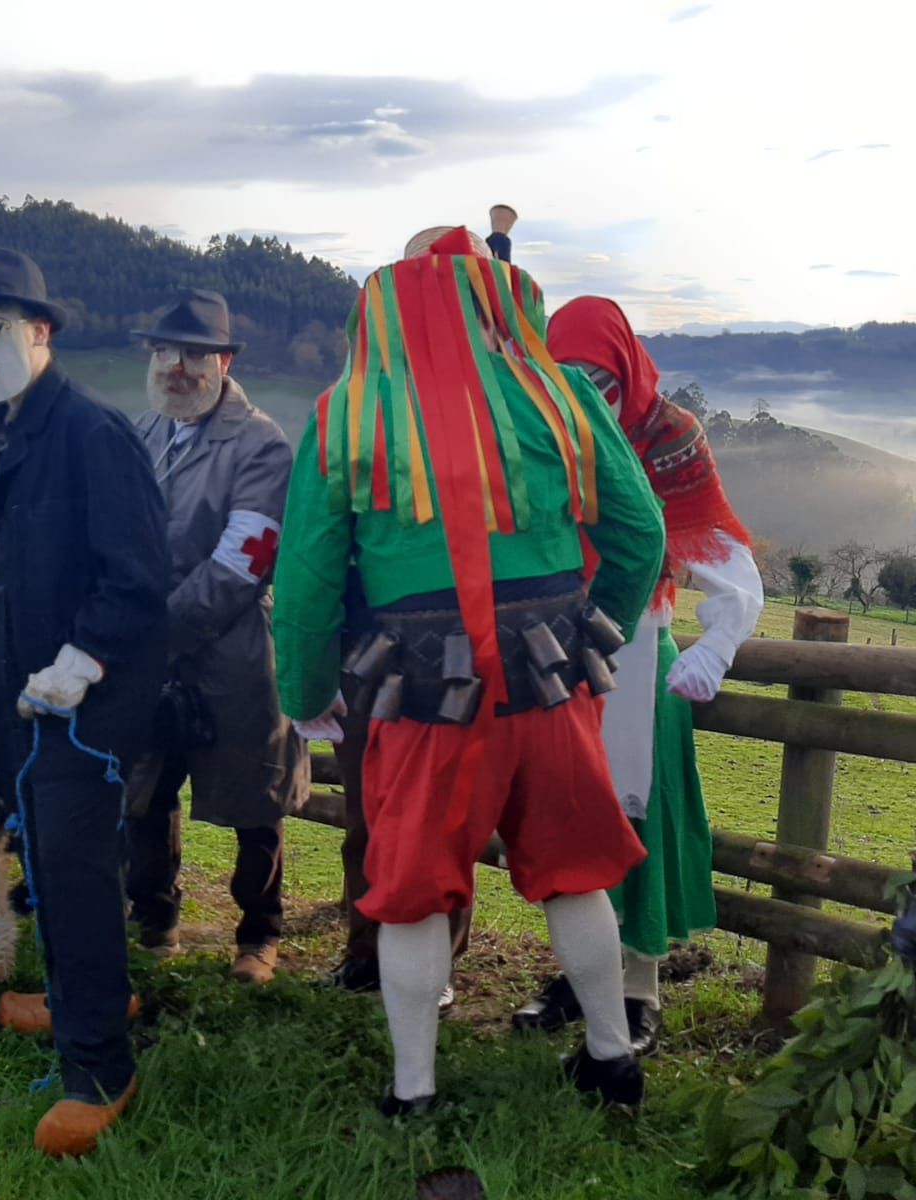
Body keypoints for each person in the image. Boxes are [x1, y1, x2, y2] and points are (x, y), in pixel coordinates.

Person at [273, 226, 667, 1114]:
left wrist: (303, 694)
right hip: (550, 681)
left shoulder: (346, 416)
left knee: (411, 888)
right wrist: (589, 627)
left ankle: (415, 1091)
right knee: (576, 870)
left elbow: (304, 580)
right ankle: (612, 1060)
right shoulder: (564, 393)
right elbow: (641, 532)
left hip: (422, 696)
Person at [0, 246, 170, 1157]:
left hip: (82, 700)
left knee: (73, 870)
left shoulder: (92, 434)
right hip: (8, 688)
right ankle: (76, 1003)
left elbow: (141, 578)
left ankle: (100, 1065)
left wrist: (81, 658)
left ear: (40, 332)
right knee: (40, 862)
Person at [508, 295, 763, 1056]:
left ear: (626, 371)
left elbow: (724, 555)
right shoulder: (536, 427)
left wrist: (717, 644)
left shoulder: (667, 436)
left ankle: (639, 985)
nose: (588, 395)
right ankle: (578, 975)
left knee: (635, 812)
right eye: (570, 375)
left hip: (638, 640)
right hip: (553, 644)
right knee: (567, 814)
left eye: (601, 379)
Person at [325, 209, 525, 999]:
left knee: (452, 812)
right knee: (367, 808)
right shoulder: (362, 393)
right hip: (371, 642)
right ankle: (364, 945)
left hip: (480, 647)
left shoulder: (516, 395)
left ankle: (436, 963)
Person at [123, 289, 309, 979]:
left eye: (195, 353)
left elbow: (242, 561)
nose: (177, 366)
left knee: (255, 797)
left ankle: (259, 932)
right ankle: (155, 916)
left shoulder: (262, 444)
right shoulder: (142, 433)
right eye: (165, 351)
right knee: (144, 786)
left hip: (233, 647)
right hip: (149, 646)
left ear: (225, 360)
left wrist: (149, 628)